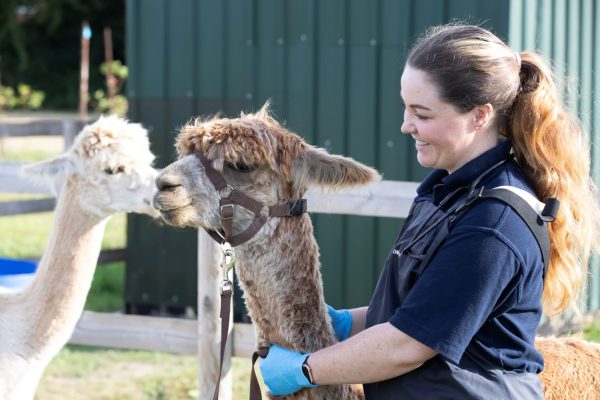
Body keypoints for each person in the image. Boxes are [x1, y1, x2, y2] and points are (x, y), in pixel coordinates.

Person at [259, 23, 600, 399]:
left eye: (422, 114)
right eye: (406, 108)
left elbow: (409, 344)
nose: (406, 126)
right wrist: (343, 323)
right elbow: (419, 310)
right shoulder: (446, 193)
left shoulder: (494, 224)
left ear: (479, 116)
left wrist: (305, 369)